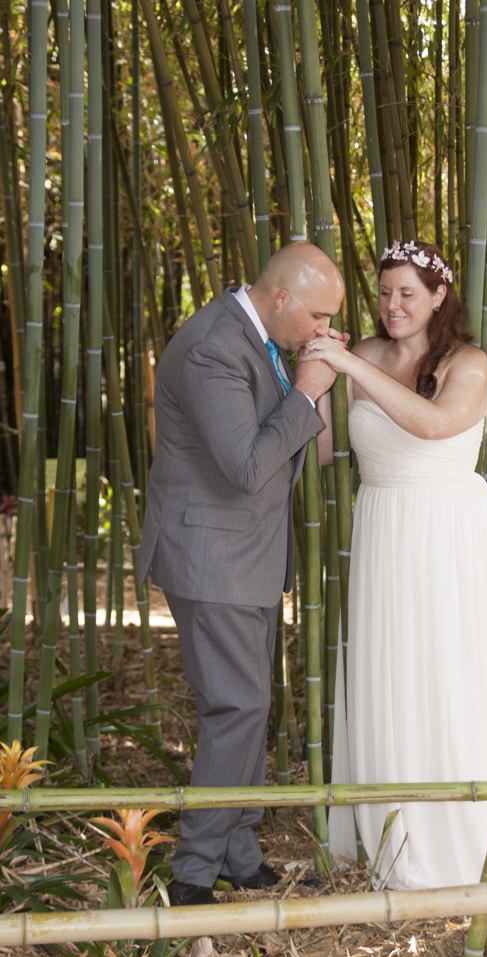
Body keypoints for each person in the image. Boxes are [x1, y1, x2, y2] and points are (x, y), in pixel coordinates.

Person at [302, 240, 487, 890]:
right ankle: (392, 841)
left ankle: (460, 849)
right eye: (383, 292)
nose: (392, 305)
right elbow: (320, 451)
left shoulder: (468, 361)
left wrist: (348, 364)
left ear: (437, 297)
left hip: (451, 537)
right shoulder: (365, 356)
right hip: (382, 532)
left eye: (406, 293)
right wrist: (317, 377)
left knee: (449, 679)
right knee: (388, 673)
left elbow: (434, 425)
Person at [137, 242, 345, 906]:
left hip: (245, 556)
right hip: (213, 559)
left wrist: (315, 384)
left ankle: (236, 852)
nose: (323, 329)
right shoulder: (213, 348)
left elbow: (304, 454)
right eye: (318, 316)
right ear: (281, 298)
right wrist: (309, 391)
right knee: (239, 705)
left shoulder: (262, 345)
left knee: (246, 707)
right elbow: (247, 466)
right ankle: (193, 871)